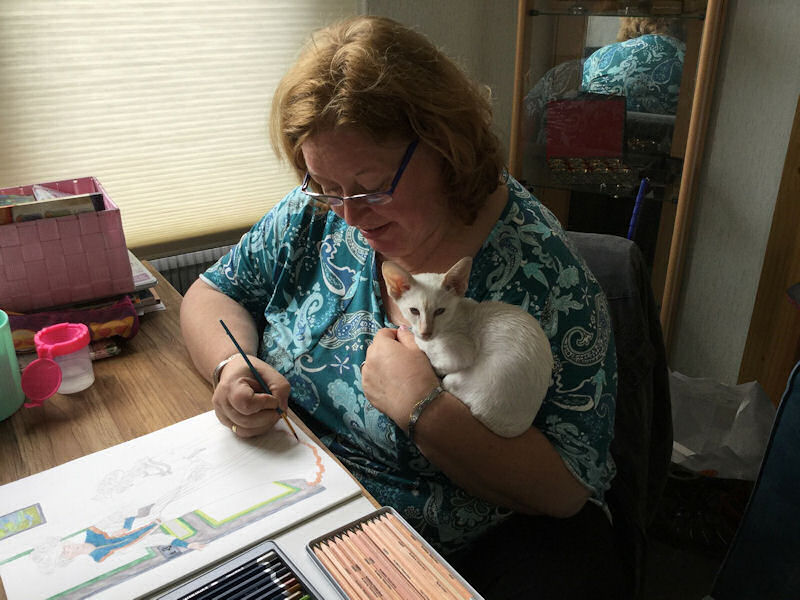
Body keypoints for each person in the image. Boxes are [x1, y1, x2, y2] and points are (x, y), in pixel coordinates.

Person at [180, 16, 623, 599]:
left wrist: (423, 409)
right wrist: (231, 365)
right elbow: (212, 292)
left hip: (428, 556)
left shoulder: (548, 279)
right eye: (323, 184)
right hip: (286, 504)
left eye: (371, 186)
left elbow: (567, 490)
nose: (348, 214)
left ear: (444, 146)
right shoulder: (315, 211)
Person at [581, 17, 686, 115]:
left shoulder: (601, 57)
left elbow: (578, 102)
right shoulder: (690, 60)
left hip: (606, 126)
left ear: (627, 22)